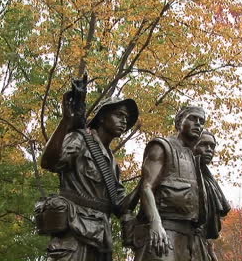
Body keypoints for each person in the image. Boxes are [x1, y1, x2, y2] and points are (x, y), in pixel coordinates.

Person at [38, 91, 139, 261]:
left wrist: (146, 182)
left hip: (100, 240)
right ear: (102, 118)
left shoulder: (112, 163)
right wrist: (65, 122)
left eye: (126, 119)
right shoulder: (80, 139)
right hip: (74, 233)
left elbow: (121, 207)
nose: (124, 121)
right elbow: (49, 162)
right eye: (119, 115)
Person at [133, 106, 209, 261]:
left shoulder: (195, 159)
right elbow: (146, 187)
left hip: (190, 241)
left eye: (201, 121)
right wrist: (155, 223)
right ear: (179, 121)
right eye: (193, 118)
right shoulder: (162, 147)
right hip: (165, 233)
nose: (198, 124)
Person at [193, 131, 231, 261]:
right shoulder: (183, 173)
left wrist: (210, 250)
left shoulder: (209, 180)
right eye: (204, 145)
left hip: (202, 243)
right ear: (192, 145)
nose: (209, 150)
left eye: (212, 146)